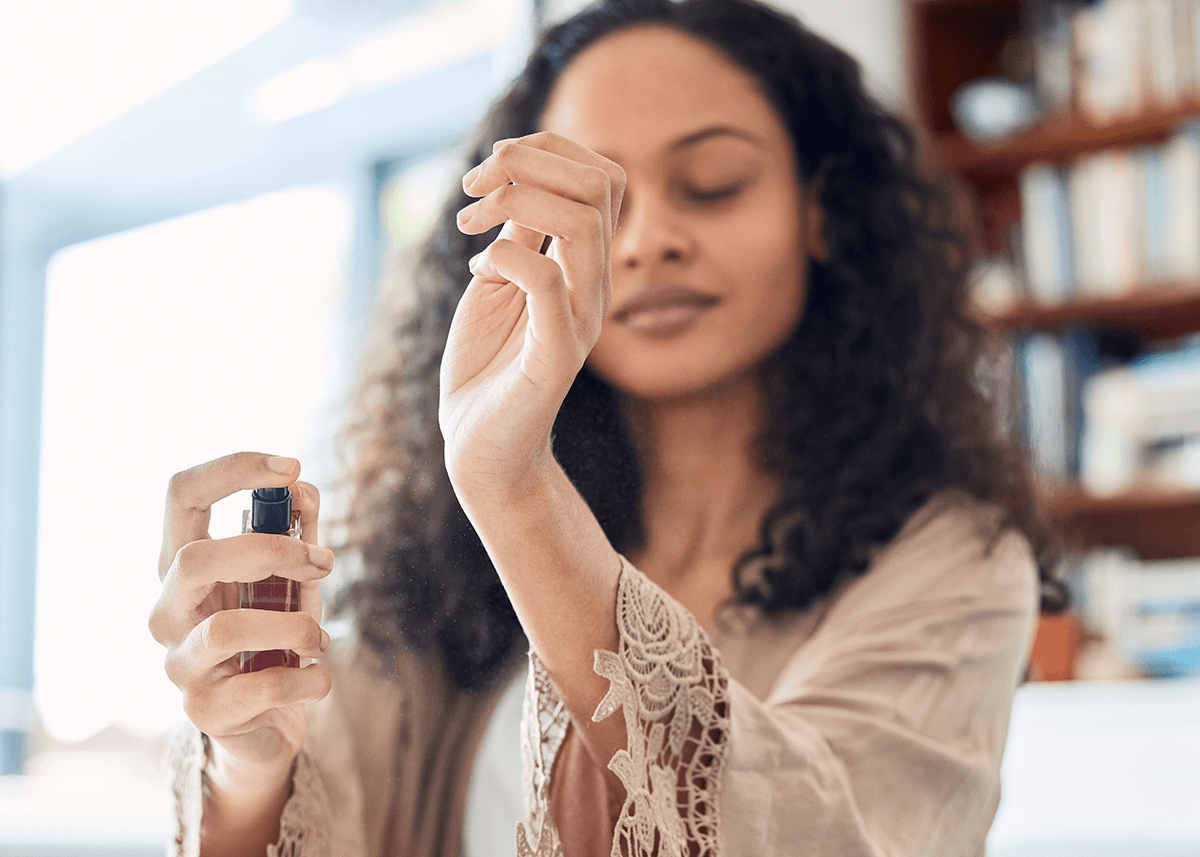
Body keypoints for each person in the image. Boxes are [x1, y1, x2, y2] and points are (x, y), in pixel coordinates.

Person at [149, 0, 1063, 855]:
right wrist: (250, 754)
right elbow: (322, 809)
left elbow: (822, 830)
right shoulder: (450, 576)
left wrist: (515, 489)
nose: (645, 239)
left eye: (713, 185)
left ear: (820, 212)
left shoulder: (953, 559)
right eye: (596, 204)